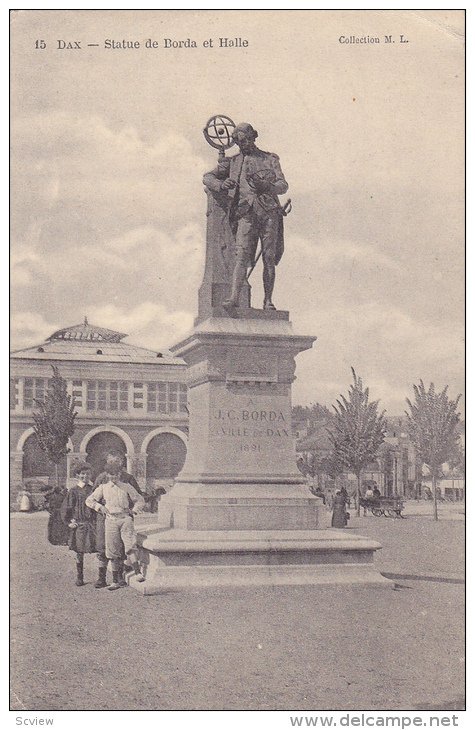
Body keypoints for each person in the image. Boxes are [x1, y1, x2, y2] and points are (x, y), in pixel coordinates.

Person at [203, 122, 288, 311]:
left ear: (253, 138)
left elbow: (283, 185)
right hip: (245, 214)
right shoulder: (233, 162)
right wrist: (221, 185)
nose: (243, 145)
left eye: (245, 140)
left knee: (268, 258)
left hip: (269, 214)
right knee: (241, 256)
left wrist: (268, 187)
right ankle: (234, 297)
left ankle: (268, 301)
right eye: (239, 142)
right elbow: (207, 177)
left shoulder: (270, 159)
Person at [86, 462, 145, 591]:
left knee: (130, 545)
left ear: (120, 474)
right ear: (107, 475)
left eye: (116, 475)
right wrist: (99, 507)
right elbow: (89, 500)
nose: (114, 478)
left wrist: (134, 510)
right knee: (112, 550)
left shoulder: (127, 486)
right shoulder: (103, 487)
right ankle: (115, 581)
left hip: (125, 519)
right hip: (111, 520)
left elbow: (140, 499)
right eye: (111, 476)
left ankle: (138, 572)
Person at [60, 463, 97, 587]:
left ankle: (101, 578)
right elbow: (67, 507)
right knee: (79, 551)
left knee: (99, 549)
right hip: (80, 524)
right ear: (77, 475)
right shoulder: (74, 490)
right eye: (82, 474)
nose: (85, 476)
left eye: (87, 473)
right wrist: (69, 521)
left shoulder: (94, 489)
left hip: (92, 524)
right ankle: (79, 576)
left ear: (90, 475)